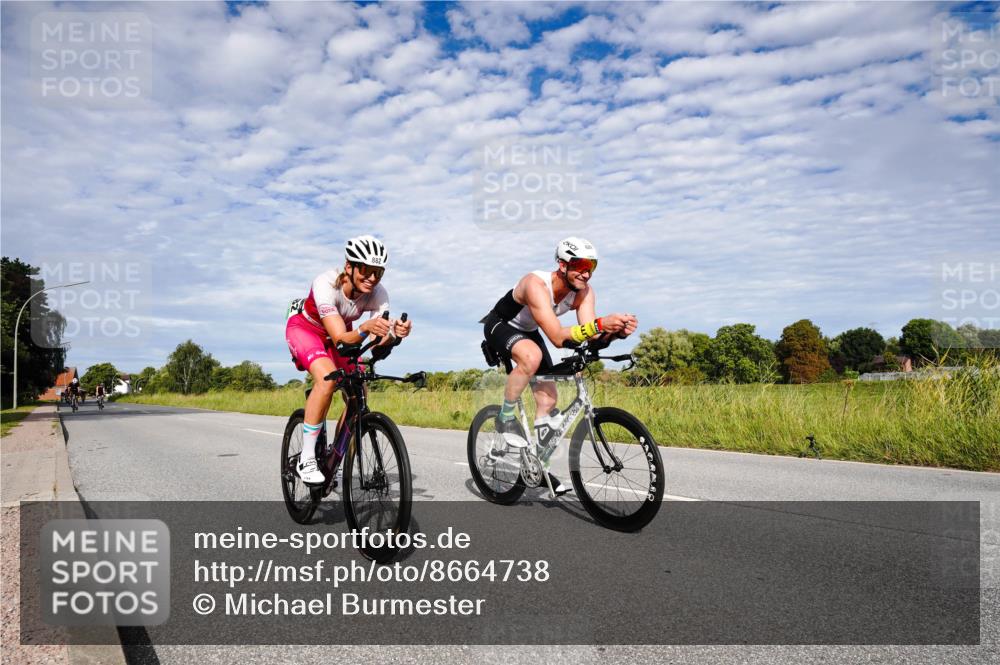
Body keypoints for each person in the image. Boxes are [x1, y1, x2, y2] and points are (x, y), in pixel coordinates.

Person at [481, 237, 637, 493]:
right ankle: (505, 418)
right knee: (531, 357)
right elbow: (556, 337)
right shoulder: (535, 284)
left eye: (592, 266)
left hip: (530, 330)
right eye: (581, 265)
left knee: (548, 399)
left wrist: (614, 333)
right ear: (562, 265)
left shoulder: (584, 292)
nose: (586, 273)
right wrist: (600, 324)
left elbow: (591, 336)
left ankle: (539, 466)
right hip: (501, 324)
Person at [285, 235, 412, 484]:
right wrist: (365, 327)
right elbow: (341, 339)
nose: (372, 278)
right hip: (307, 330)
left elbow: (377, 345)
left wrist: (395, 335)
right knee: (327, 380)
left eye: (378, 272)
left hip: (343, 333)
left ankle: (334, 457)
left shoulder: (379, 294)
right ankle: (307, 457)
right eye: (366, 270)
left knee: (359, 389)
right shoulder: (325, 284)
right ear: (349, 267)